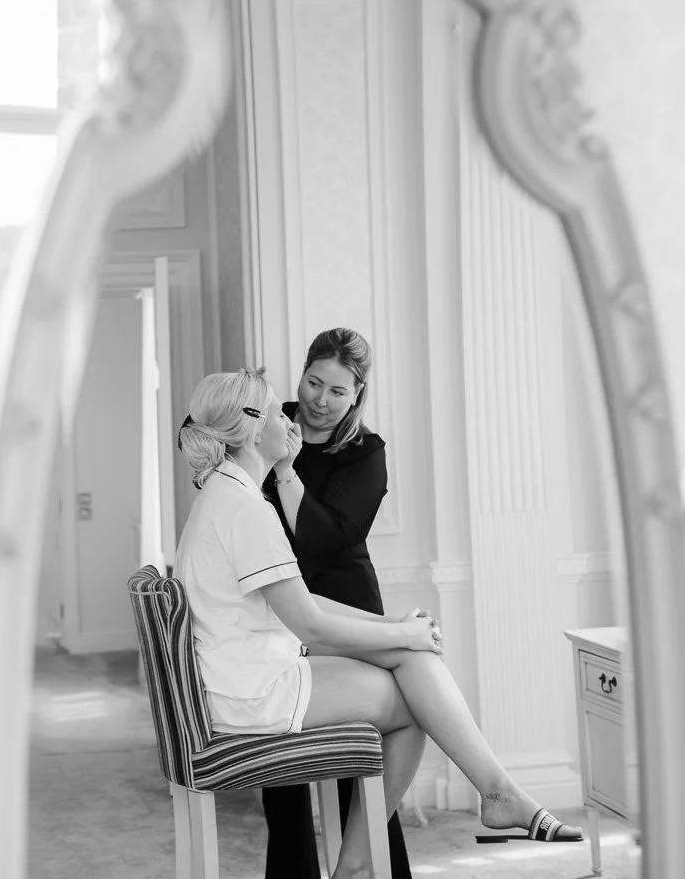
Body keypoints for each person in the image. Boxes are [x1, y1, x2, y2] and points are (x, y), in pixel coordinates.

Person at [174, 369, 580, 879]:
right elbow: (313, 628)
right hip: (253, 694)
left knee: (411, 658)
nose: (291, 417)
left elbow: (305, 601)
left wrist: (394, 627)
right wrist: (402, 635)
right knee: (412, 704)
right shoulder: (244, 508)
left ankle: (496, 793)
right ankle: (368, 861)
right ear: (254, 429)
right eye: (279, 411)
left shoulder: (227, 496)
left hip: (247, 678)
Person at [258, 328, 410, 879]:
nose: (320, 400)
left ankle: (366, 867)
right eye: (313, 382)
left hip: (345, 607)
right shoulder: (268, 422)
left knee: (361, 762)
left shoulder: (365, 453)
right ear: (299, 374)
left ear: (358, 394)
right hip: (276, 611)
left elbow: (325, 539)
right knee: (282, 769)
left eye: (338, 391)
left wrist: (284, 468)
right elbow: (197, 431)